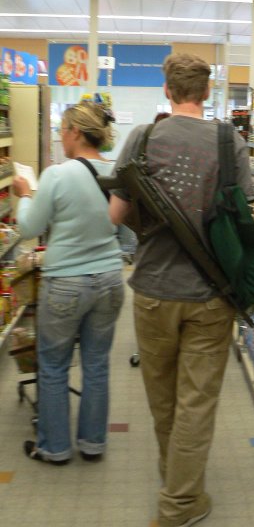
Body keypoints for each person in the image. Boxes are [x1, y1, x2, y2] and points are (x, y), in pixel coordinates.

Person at [109, 53, 254, 527]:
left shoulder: (143, 137)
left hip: (152, 290)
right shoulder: (228, 139)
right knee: (197, 400)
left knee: (163, 397)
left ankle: (175, 484)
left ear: (167, 92)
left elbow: (115, 215)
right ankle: (180, 501)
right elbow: (244, 208)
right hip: (211, 295)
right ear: (207, 92)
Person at [13, 100, 125, 465]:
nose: (61, 138)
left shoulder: (57, 176)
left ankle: (55, 447)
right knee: (97, 364)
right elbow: (124, 231)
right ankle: (93, 444)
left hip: (66, 284)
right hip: (110, 279)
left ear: (76, 133)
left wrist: (26, 196)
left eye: (63, 131)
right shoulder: (117, 173)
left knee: (55, 364)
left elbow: (29, 228)